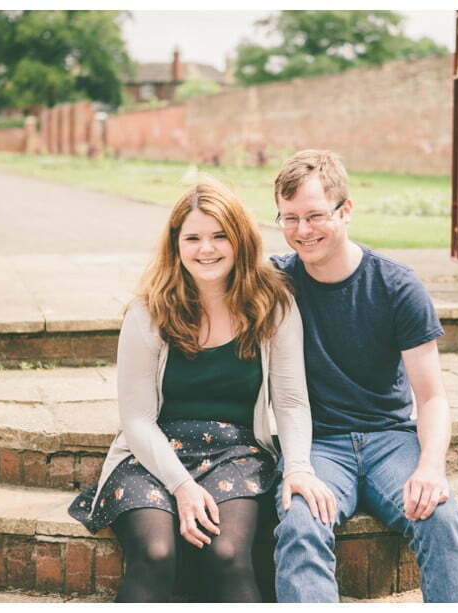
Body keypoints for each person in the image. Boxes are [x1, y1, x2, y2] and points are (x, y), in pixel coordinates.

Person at [69, 179, 334, 602]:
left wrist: (299, 466)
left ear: (240, 240)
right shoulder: (148, 312)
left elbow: (290, 399)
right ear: (176, 244)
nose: (206, 249)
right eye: (192, 238)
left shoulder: (274, 305)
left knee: (227, 551)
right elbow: (136, 420)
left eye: (218, 236)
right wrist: (182, 486)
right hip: (153, 454)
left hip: (237, 453)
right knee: (156, 553)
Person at [269, 150, 458, 603]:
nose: (302, 232)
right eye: (290, 218)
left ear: (346, 211)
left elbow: (432, 398)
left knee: (441, 518)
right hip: (318, 444)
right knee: (300, 521)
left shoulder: (396, 286)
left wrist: (430, 467)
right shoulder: (275, 283)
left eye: (314, 216)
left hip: (390, 439)